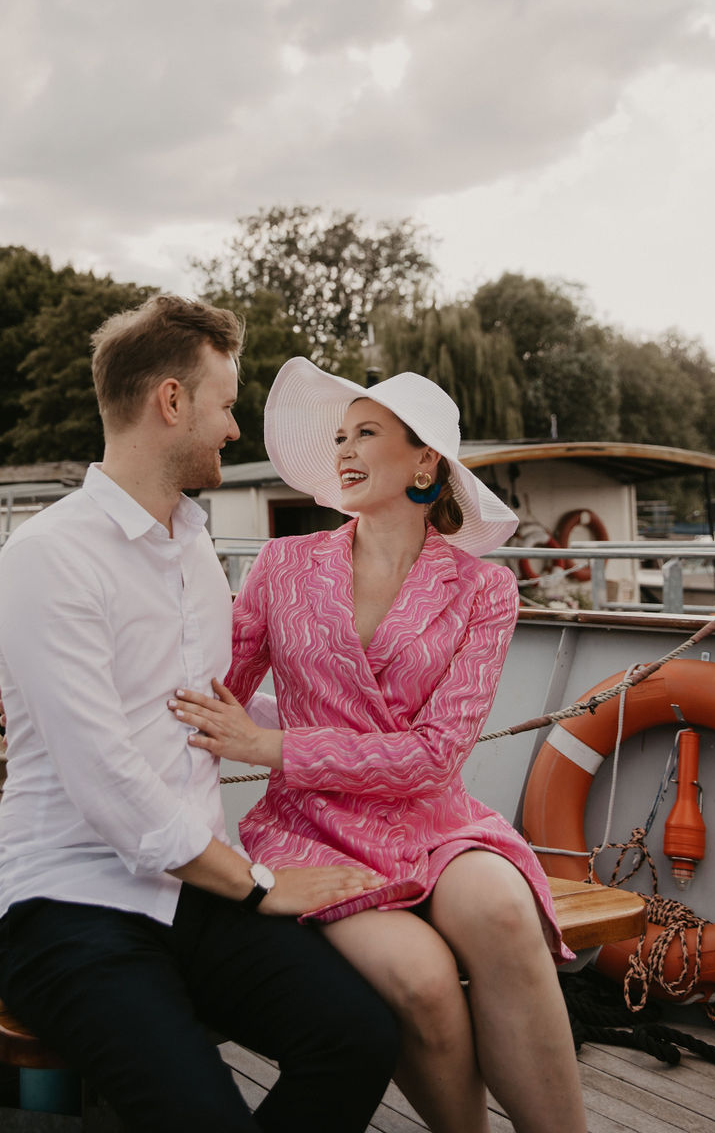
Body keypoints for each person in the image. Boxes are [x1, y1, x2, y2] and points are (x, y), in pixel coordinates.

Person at [0, 300, 399, 1133]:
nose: (234, 428)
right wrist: (257, 886)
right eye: (225, 402)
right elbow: (107, 783)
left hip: (190, 893)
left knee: (360, 1038)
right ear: (171, 402)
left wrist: (365, 737)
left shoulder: (194, 549)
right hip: (68, 904)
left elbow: (217, 705)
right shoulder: (47, 559)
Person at [170, 358, 588, 1133]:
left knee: (503, 911)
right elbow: (212, 681)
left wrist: (271, 745)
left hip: (432, 821)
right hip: (312, 830)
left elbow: (435, 756)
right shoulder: (283, 565)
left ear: (425, 459)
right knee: (423, 979)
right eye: (339, 437)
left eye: (367, 434)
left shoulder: (484, 591)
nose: (345, 453)